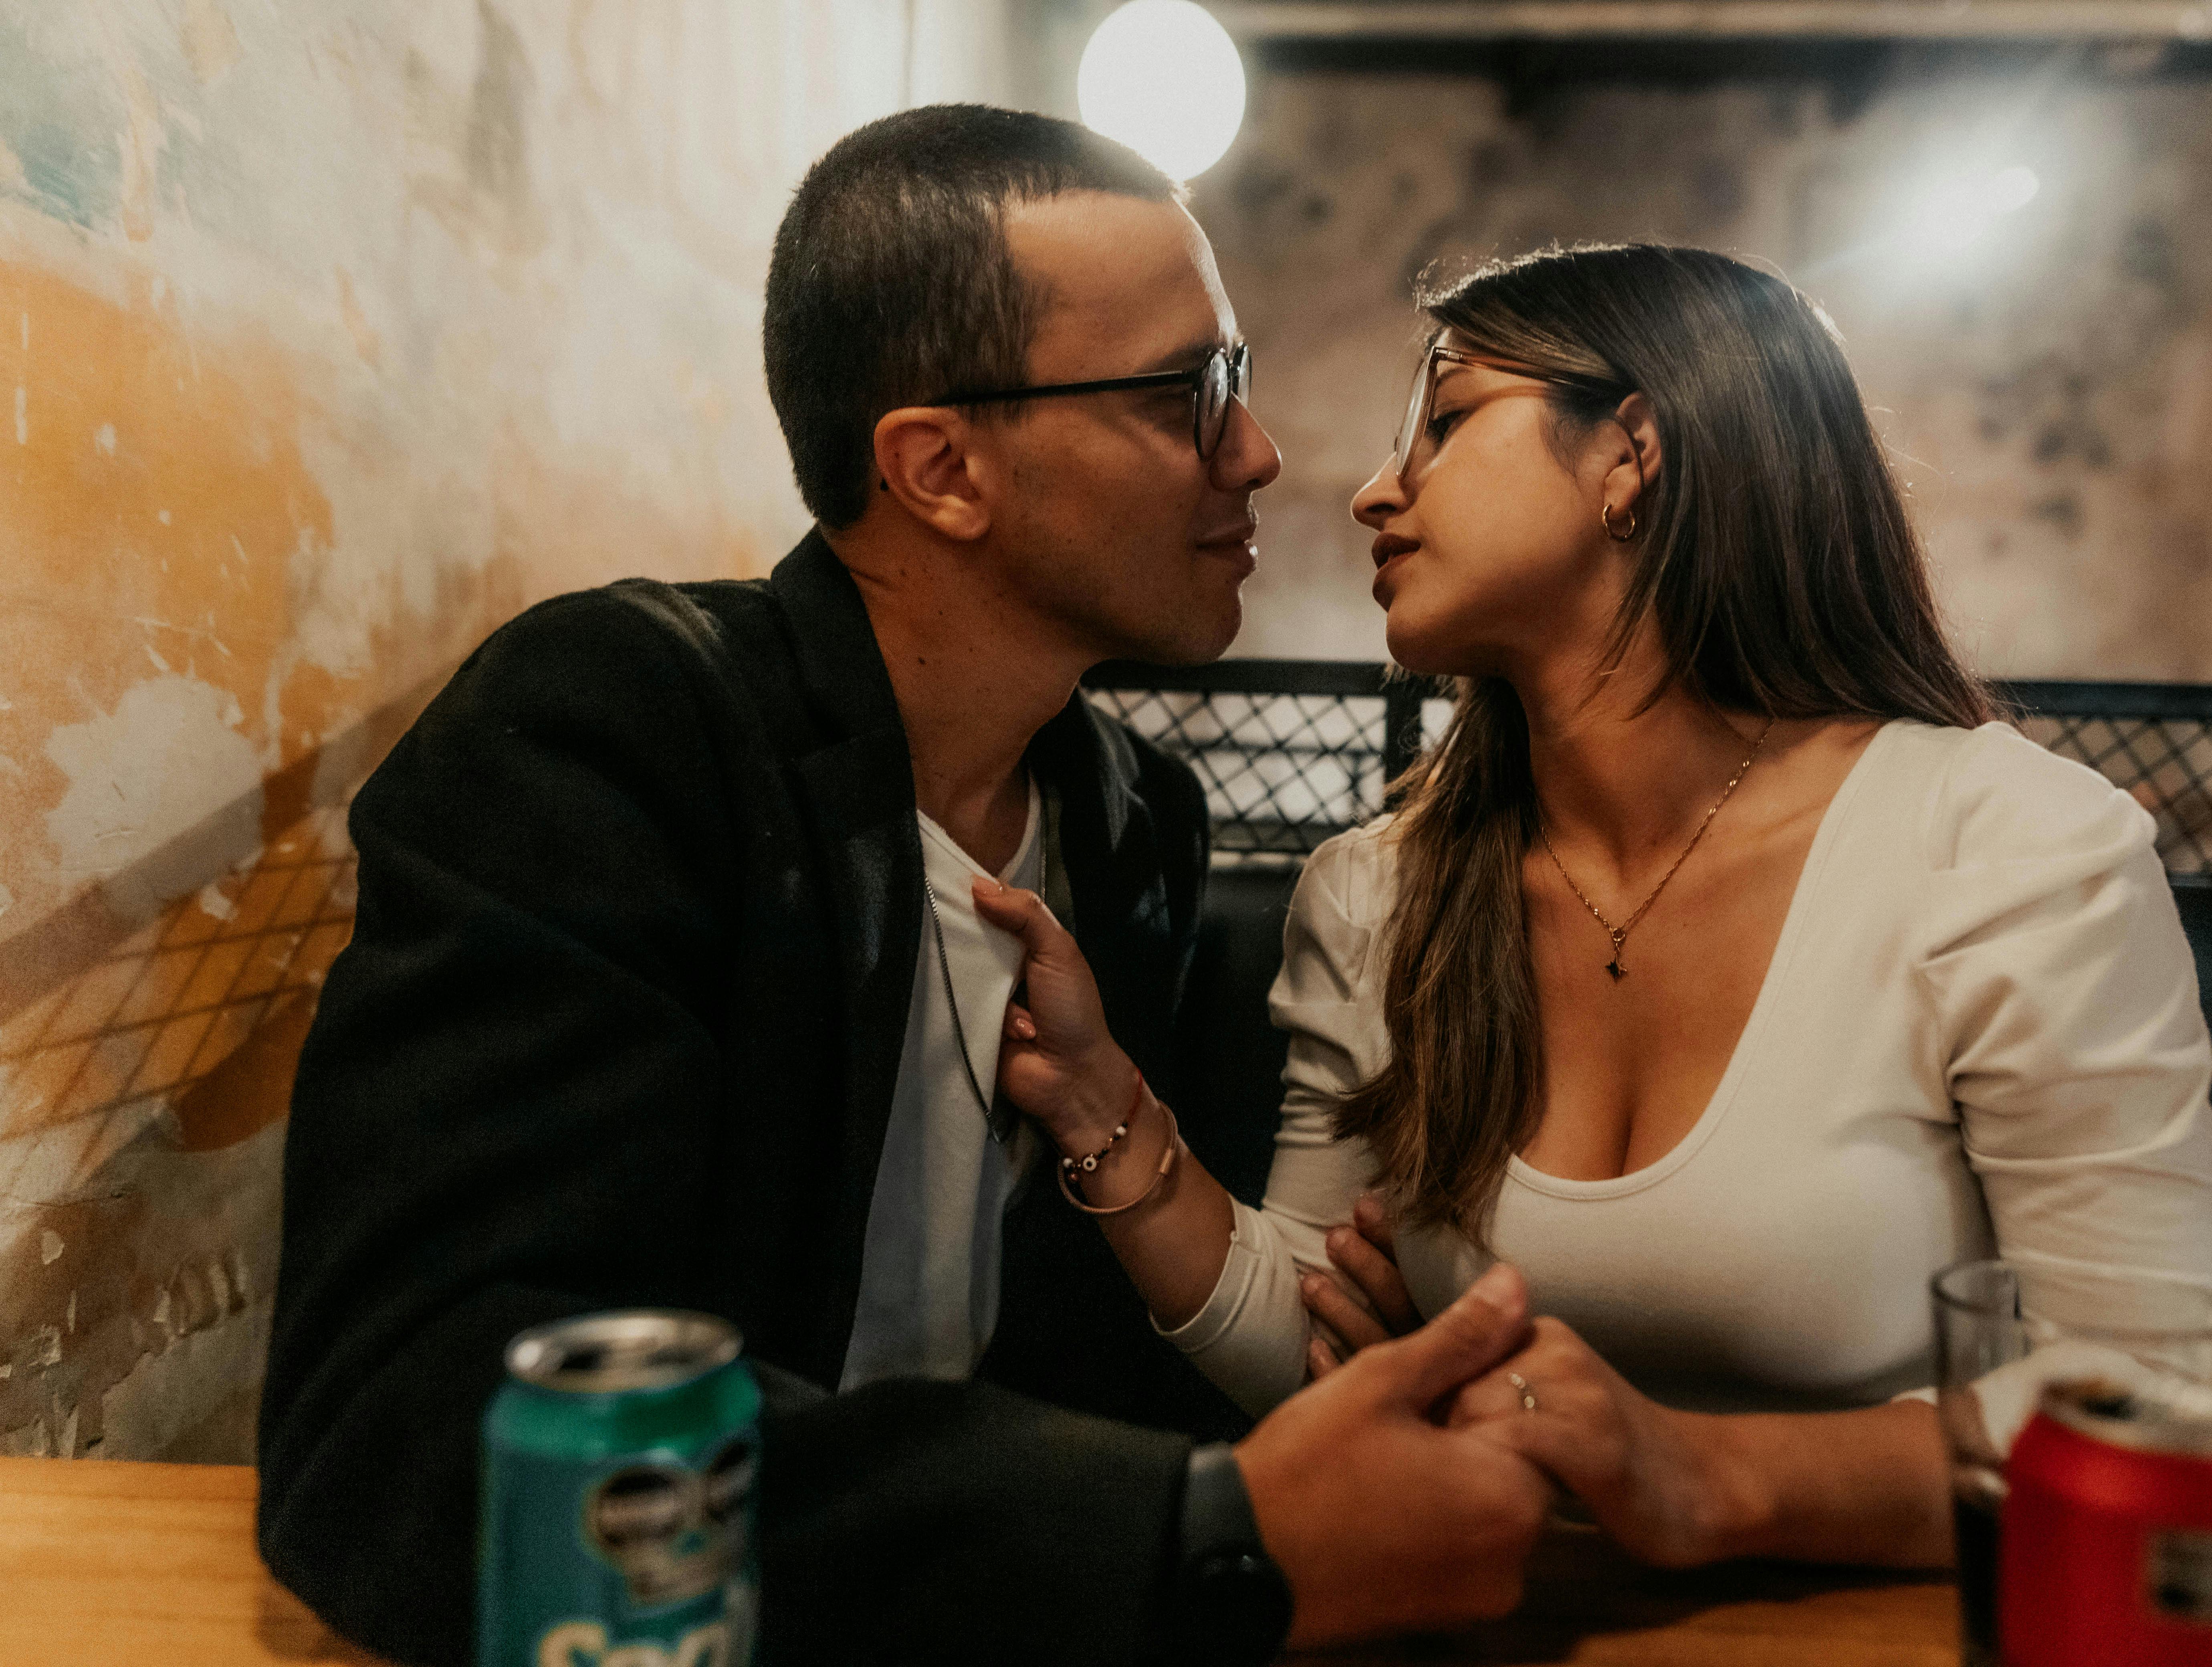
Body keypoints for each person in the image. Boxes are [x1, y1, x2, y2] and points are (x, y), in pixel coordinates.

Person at [255, 105, 1554, 1667]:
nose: (1260, 453)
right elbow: (416, 1426)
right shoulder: (624, 733)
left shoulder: (1133, 813)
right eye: (1189, 391)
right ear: (941, 467)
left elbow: (1073, 1354)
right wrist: (1194, 1532)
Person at [976, 242, 2212, 1574]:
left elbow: (2169, 1414)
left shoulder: (2006, 853)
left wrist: (1698, 1471)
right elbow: (1320, 1347)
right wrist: (1101, 1107)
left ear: (1630, 450)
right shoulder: (1379, 891)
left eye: (1450, 423)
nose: (1372, 491)